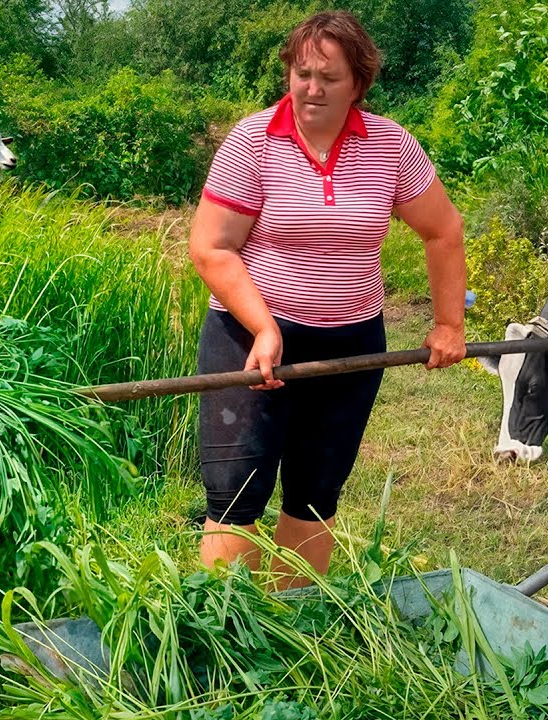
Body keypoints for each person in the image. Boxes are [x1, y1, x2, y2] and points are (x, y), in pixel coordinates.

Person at [187, 10, 466, 589]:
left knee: (316, 491)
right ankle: (218, 635)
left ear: (358, 84)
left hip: (351, 344)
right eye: (302, 73)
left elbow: (443, 231)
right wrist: (264, 329)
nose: (312, 89)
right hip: (252, 340)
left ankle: (295, 631)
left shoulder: (390, 145)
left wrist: (447, 325)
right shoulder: (253, 142)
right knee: (238, 490)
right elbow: (212, 248)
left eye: (329, 78)